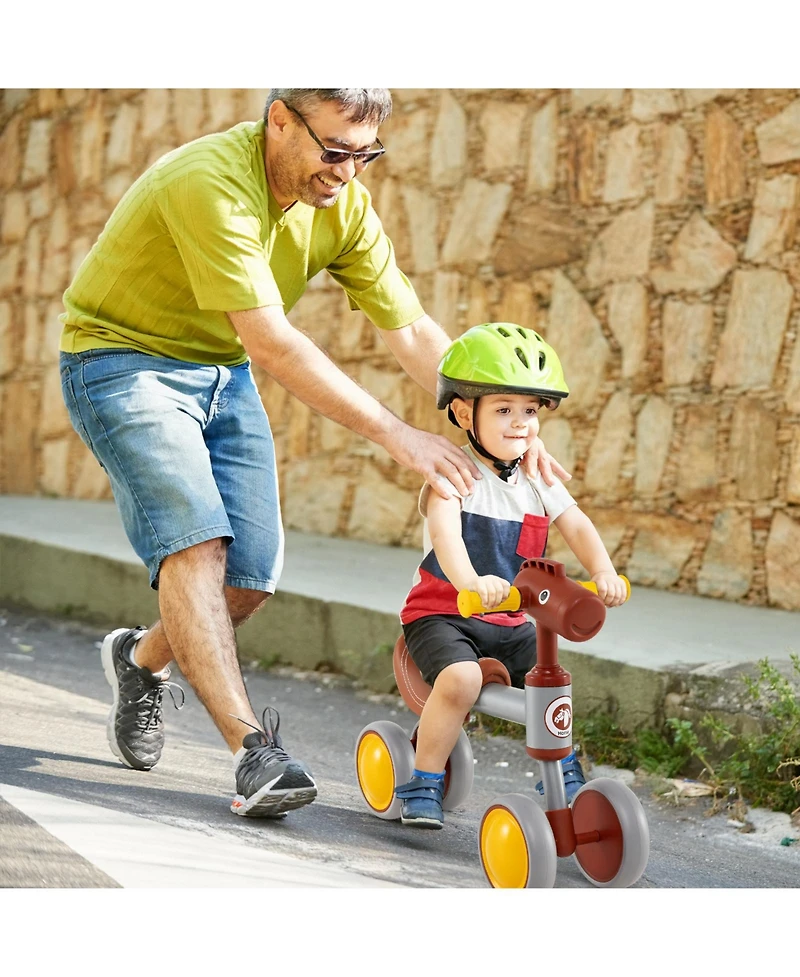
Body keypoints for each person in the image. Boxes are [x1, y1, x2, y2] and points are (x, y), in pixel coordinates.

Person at [58, 89, 570, 820]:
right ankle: (252, 751)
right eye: (334, 151)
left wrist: (500, 430)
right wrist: (398, 433)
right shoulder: (211, 182)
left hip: (219, 372)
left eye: (366, 154)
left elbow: (416, 332)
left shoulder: (344, 206)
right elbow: (273, 341)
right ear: (279, 121)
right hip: (120, 359)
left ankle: (138, 663)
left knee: (250, 578)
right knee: (197, 543)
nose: (348, 173)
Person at [395, 322, 628, 829]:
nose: (520, 422)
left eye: (529, 410)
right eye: (503, 410)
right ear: (463, 412)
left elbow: (577, 524)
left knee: (551, 683)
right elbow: (446, 538)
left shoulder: (537, 479)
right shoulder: (454, 475)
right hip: (444, 613)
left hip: (509, 621)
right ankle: (424, 780)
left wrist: (603, 570)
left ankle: (566, 771)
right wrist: (471, 582)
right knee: (460, 678)